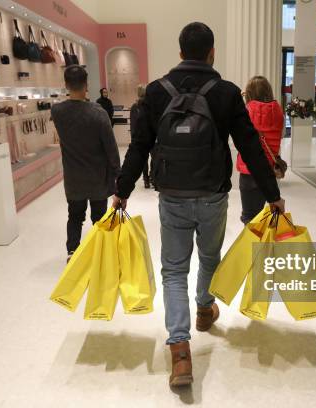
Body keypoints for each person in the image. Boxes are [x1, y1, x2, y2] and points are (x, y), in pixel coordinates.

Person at [112, 22, 284, 387]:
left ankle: (180, 353)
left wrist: (122, 189)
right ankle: (204, 309)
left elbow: (139, 146)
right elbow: (250, 146)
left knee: (174, 271)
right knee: (209, 258)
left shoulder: (157, 92)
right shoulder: (225, 93)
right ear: (212, 53)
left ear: (179, 53)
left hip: (172, 195)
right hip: (213, 195)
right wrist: (272, 194)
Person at [51, 66, 121, 263]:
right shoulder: (98, 113)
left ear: (65, 84)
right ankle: (100, 253)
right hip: (98, 178)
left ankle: (73, 252)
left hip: (74, 179)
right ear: (87, 85)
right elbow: (111, 149)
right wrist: (119, 176)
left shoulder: (57, 112)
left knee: (75, 216)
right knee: (99, 218)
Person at [237, 76, 284, 224]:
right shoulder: (278, 111)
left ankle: (252, 245)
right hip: (269, 171)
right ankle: (264, 246)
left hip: (248, 172)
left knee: (250, 218)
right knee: (268, 217)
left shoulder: (246, 111)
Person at [129, 84, 152, 189]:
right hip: (142, 138)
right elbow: (134, 124)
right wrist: (134, 138)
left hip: (151, 136)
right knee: (144, 160)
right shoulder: (135, 107)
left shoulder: (150, 105)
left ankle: (151, 177)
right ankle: (146, 179)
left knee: (153, 158)